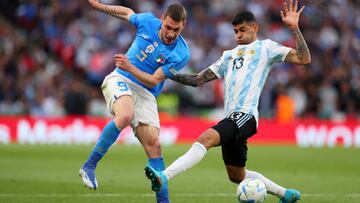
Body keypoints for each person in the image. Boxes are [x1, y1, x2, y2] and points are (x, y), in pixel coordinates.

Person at [144, 0, 310, 203]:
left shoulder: (266, 47)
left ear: (255, 28)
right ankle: (285, 194)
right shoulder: (228, 56)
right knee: (236, 175)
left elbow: (303, 58)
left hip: (245, 116)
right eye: (235, 31)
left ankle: (163, 176)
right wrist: (168, 73)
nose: (238, 34)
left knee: (205, 138)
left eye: (242, 30)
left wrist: (294, 29)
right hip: (231, 117)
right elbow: (197, 80)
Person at [80, 1, 190, 203]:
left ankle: (163, 202)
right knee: (125, 115)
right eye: (168, 27)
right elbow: (127, 13)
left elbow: (154, 80)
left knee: (155, 145)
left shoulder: (181, 53)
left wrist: (130, 66)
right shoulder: (148, 21)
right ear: (162, 19)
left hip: (146, 91)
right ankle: (89, 166)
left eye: (176, 29)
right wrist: (99, 6)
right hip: (121, 79)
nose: (171, 33)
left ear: (183, 25)